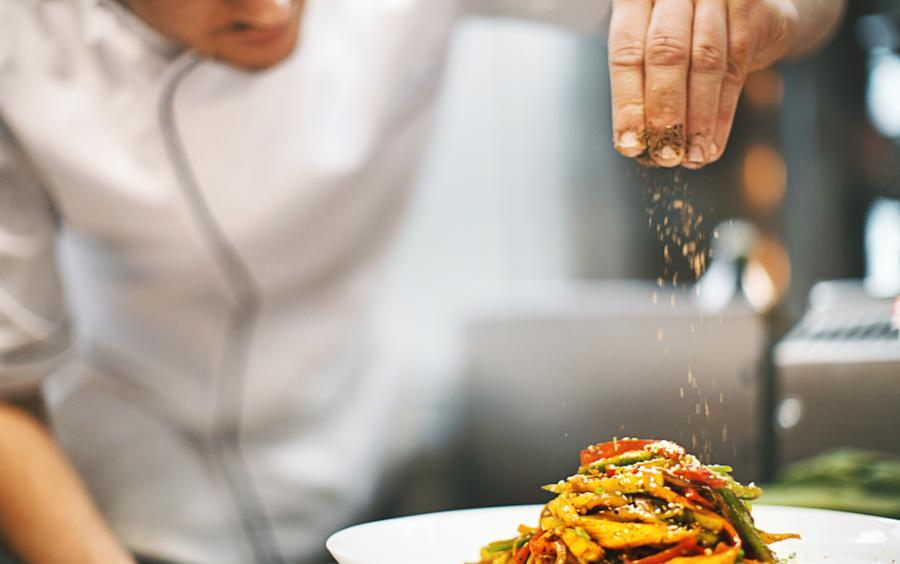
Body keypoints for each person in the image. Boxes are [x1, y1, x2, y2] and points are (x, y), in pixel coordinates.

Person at [0, 0, 846, 562]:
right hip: (120, 504)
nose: (267, 7)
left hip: (371, 475)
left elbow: (810, 10)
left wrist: (761, 12)